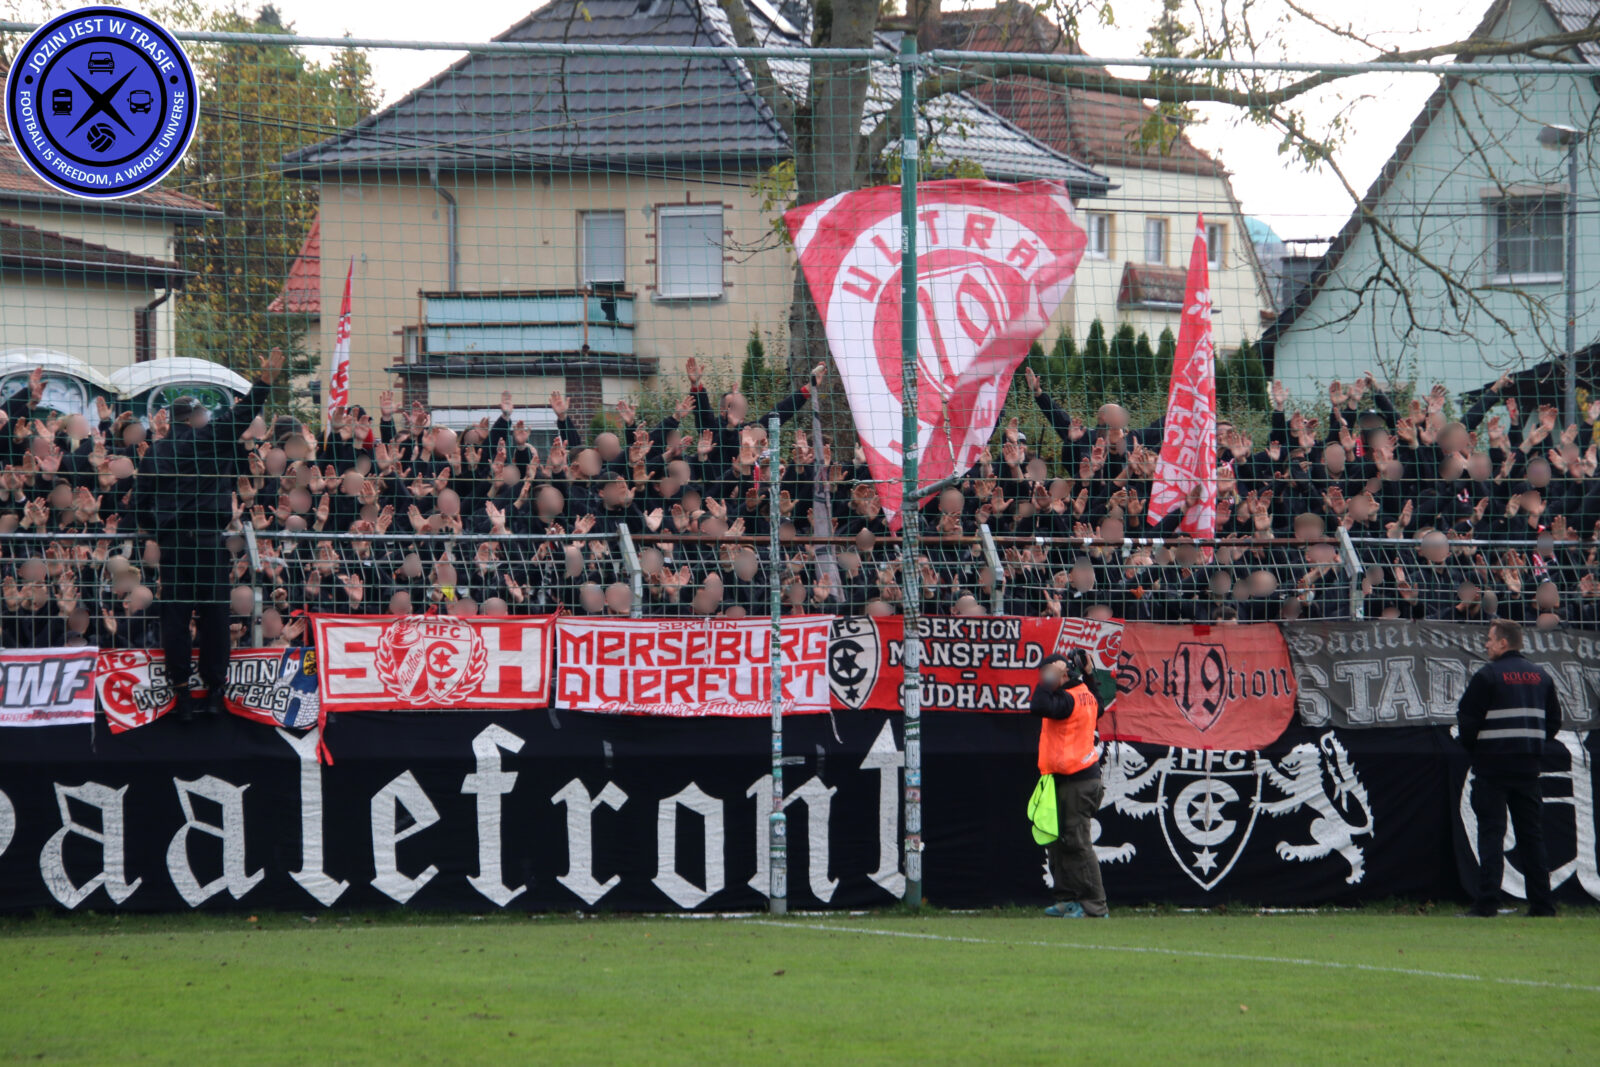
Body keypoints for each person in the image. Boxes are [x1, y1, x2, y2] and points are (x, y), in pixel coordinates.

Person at [134, 348, 283, 719]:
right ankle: (216, 692)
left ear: (170, 420)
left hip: (173, 547)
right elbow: (243, 415)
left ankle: (181, 694)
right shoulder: (210, 439)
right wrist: (263, 382)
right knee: (215, 618)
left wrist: (157, 532)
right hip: (206, 544)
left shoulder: (156, 452)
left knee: (176, 620)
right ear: (198, 417)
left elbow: (139, 503)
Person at [1456, 618, 1562, 917]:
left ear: (1503, 643)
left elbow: (1467, 723)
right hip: (1528, 768)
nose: (1486, 644)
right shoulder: (1541, 676)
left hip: (1491, 768)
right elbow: (1553, 722)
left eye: (1490, 639)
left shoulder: (1488, 676)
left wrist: (1478, 750)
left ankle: (1487, 902)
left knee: (1491, 836)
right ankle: (1542, 904)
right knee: (1532, 837)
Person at [1030, 648, 1107, 918]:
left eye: (1047, 673)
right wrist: (1088, 673)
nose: (1043, 679)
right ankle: (1067, 899)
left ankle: (1093, 905)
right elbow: (1101, 703)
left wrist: (1051, 677)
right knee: (1057, 841)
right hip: (1066, 779)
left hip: (1077, 780)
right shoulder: (1084, 693)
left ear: (1060, 674)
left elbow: (1038, 705)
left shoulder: (1067, 699)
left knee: (1075, 843)